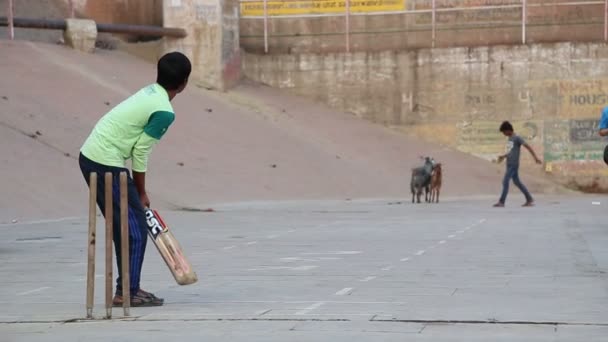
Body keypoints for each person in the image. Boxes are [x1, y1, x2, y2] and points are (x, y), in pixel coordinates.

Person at [78, 52, 191, 307]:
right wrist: (141, 192)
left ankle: (129, 288)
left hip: (93, 155)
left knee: (126, 226)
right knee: (136, 228)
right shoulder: (164, 111)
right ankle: (127, 291)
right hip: (104, 161)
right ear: (184, 83)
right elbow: (141, 151)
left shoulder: (151, 91)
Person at [493, 121, 542, 208]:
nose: (504, 134)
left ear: (508, 130)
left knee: (505, 181)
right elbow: (510, 152)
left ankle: (501, 201)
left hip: (513, 164)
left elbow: (528, 147)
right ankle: (529, 199)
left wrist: (535, 158)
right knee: (517, 182)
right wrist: (503, 156)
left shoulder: (517, 138)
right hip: (509, 164)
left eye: (504, 132)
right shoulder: (509, 139)